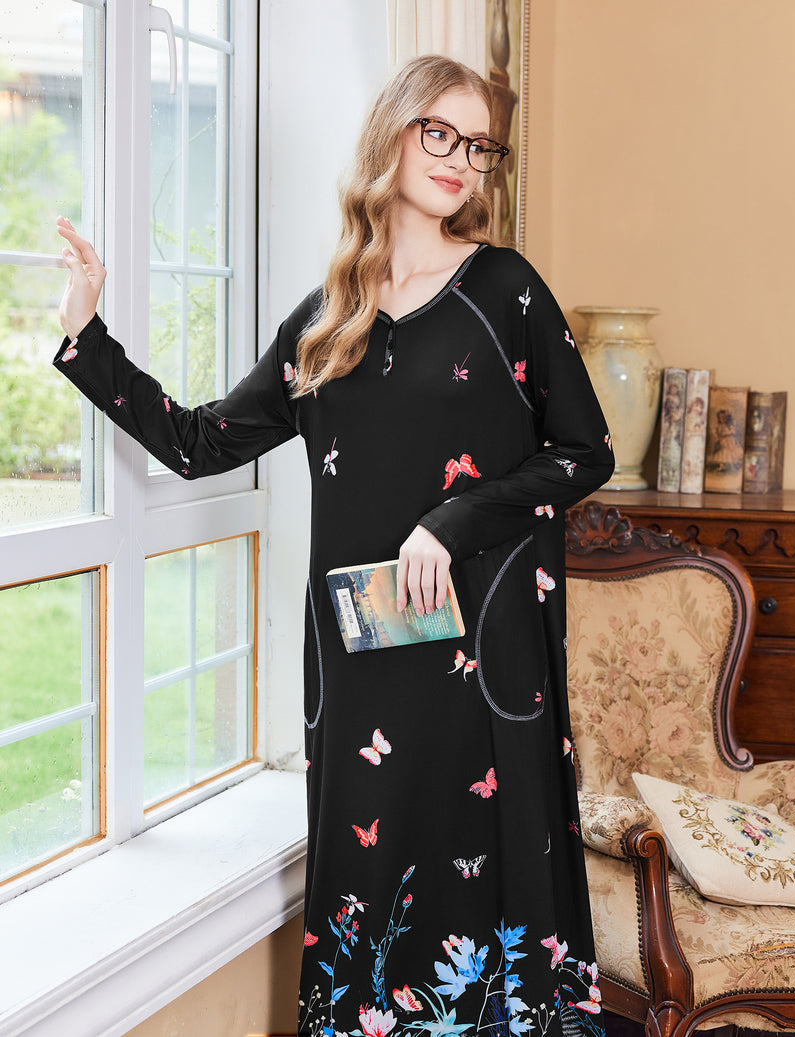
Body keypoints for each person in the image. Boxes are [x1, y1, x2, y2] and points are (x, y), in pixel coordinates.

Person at [56, 54, 613, 1037]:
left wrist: (453, 519)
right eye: (438, 133)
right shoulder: (325, 322)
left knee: (488, 872)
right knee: (375, 874)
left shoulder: (505, 289)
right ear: (391, 133)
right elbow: (198, 444)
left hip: (484, 658)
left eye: (478, 145)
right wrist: (86, 332)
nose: (460, 159)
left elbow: (584, 451)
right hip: (365, 661)